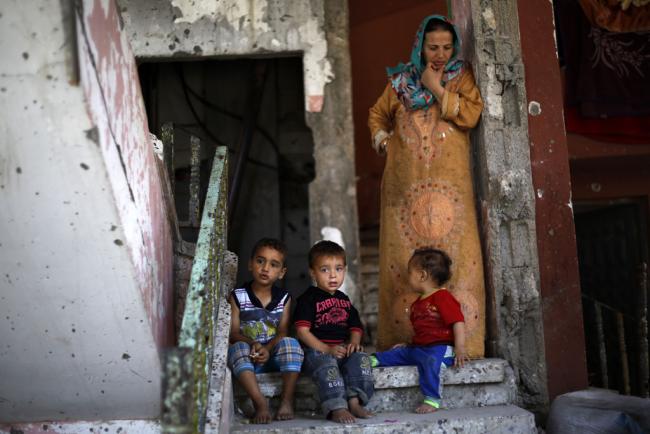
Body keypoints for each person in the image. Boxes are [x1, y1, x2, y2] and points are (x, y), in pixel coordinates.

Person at [368, 14, 485, 356]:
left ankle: (464, 344)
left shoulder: (461, 77)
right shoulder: (400, 83)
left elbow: (471, 115)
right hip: (404, 190)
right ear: (421, 47)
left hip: (452, 188)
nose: (440, 54)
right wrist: (384, 141)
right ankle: (403, 339)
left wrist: (435, 87)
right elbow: (377, 115)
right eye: (433, 47)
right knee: (404, 261)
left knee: (458, 257)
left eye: (447, 47)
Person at [370, 248, 468, 413]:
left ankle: (432, 399)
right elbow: (423, 331)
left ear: (422, 276)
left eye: (410, 272)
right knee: (399, 353)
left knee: (431, 362)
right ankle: (373, 361)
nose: (407, 277)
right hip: (420, 348)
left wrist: (460, 347)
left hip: (440, 349)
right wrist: (409, 344)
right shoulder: (417, 303)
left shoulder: (443, 297)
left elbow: (457, 321)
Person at [294, 240, 374, 424]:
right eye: (324, 270)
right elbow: (302, 332)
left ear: (345, 270)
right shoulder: (308, 299)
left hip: (341, 349)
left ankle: (354, 401)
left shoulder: (344, 299)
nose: (332, 275)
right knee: (328, 366)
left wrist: (354, 342)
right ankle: (337, 407)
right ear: (312, 272)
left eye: (338, 269)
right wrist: (327, 349)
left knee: (361, 358)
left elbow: (355, 326)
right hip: (317, 351)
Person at [227, 238, 304, 424]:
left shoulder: (284, 298)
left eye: (273, 264)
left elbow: (282, 332)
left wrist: (268, 349)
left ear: (281, 273)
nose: (265, 268)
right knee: (236, 348)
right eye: (260, 261)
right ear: (250, 264)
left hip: (274, 357)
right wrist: (253, 343)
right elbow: (233, 333)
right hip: (248, 359)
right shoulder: (238, 296)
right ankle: (260, 403)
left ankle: (286, 401)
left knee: (291, 343)